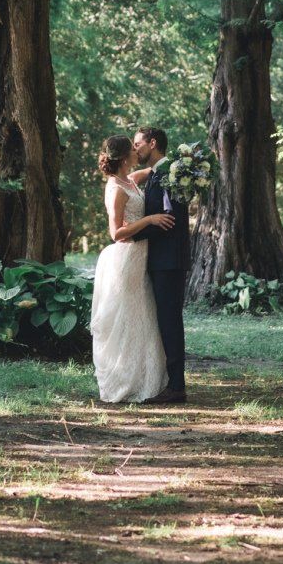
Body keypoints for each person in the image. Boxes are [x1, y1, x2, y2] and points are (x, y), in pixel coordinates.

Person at [88, 135, 171, 403]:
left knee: (142, 316)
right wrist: (149, 219)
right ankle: (123, 380)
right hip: (126, 258)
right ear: (125, 157)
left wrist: (181, 163)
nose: (138, 150)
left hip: (141, 257)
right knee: (127, 317)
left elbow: (152, 169)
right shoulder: (116, 189)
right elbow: (116, 232)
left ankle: (146, 378)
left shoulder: (131, 180)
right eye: (133, 148)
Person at [132, 126, 189, 404]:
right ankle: (171, 381)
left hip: (169, 260)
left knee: (170, 321)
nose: (135, 149)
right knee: (164, 320)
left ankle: (177, 387)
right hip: (161, 259)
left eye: (138, 144)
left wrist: (132, 232)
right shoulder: (158, 173)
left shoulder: (170, 175)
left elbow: (168, 219)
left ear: (152, 143)